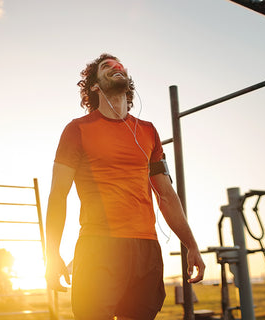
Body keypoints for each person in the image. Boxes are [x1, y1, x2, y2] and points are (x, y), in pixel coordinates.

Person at [45, 53, 205, 320]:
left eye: (120, 66)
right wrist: (51, 254)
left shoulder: (149, 131)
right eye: (107, 67)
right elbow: (58, 195)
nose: (117, 67)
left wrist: (192, 245)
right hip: (98, 247)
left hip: (146, 251)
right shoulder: (76, 130)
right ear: (94, 86)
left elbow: (165, 194)